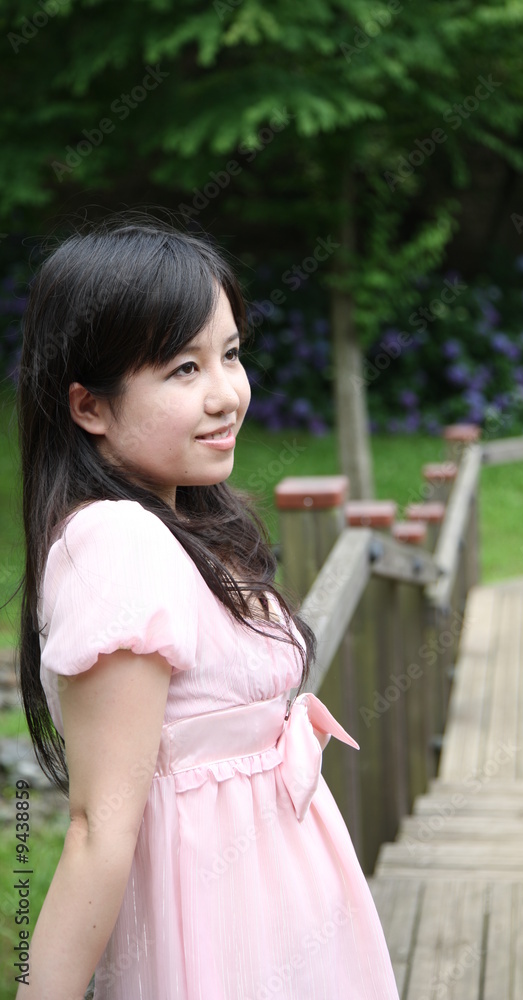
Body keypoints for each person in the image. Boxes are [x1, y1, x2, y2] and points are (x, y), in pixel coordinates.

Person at [14, 214, 400, 999]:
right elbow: (95, 827)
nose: (227, 394)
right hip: (219, 930)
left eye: (229, 355)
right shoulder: (115, 542)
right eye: (183, 370)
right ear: (90, 407)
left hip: (286, 905)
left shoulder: (188, 523)